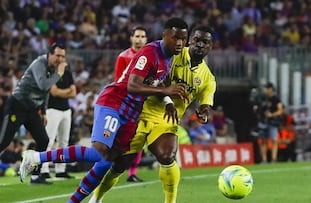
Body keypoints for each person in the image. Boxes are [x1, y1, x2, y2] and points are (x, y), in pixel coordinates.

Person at [19, 17, 188, 203]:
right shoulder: (150, 52)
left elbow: (158, 81)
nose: (179, 42)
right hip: (115, 102)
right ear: (165, 35)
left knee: (108, 161)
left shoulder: (170, 57)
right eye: (175, 38)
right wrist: (166, 91)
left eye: (183, 39)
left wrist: (168, 101)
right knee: (100, 152)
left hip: (132, 113)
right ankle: (35, 157)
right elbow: (133, 85)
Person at [89, 25, 216, 203]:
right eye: (197, 40)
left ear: (211, 46)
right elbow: (155, 79)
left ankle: (170, 201)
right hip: (141, 111)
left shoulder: (208, 78)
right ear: (189, 41)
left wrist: (203, 112)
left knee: (167, 156)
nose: (200, 45)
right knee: (119, 164)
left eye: (205, 42)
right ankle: (96, 198)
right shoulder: (174, 54)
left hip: (166, 120)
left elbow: (205, 103)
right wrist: (168, 98)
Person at [0, 43, 67, 187]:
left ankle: (36, 176)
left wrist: (43, 112)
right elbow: (43, 85)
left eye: (63, 56)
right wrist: (59, 74)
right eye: (58, 55)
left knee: (43, 140)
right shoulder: (39, 64)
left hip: (32, 109)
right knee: (4, 141)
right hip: (17, 106)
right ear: (49, 54)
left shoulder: (52, 68)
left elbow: (45, 92)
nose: (61, 59)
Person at [114, 25, 148, 183]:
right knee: (122, 139)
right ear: (131, 38)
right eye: (137, 36)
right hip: (126, 105)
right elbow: (118, 82)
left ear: (146, 39)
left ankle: (132, 173)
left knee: (139, 138)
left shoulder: (149, 57)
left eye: (142, 37)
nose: (140, 39)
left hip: (143, 104)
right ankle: (113, 167)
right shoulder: (124, 57)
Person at [40, 66, 76, 179]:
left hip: (66, 109)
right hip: (52, 109)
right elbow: (53, 92)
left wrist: (62, 92)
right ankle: (44, 169)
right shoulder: (50, 72)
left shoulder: (68, 73)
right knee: (49, 140)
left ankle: (60, 170)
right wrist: (67, 91)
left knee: (64, 141)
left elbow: (74, 93)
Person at [259, 82, 284, 163]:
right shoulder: (262, 98)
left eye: (266, 88)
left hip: (272, 122)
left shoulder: (276, 99)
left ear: (270, 89)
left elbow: (280, 110)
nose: (265, 90)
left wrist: (272, 115)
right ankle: (264, 159)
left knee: (274, 140)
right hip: (263, 121)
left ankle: (274, 158)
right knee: (263, 140)